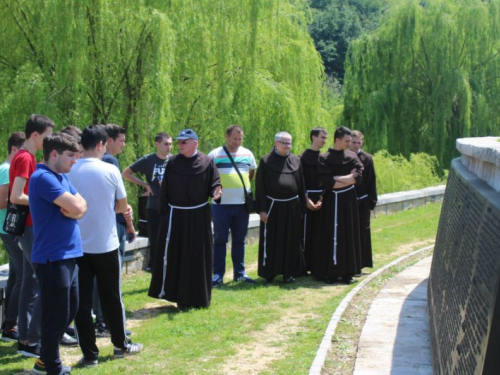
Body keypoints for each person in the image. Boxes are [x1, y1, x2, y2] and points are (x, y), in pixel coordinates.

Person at [67, 125, 143, 367]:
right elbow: (122, 206)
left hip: (77, 244)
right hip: (105, 243)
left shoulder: (69, 170)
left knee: (82, 302)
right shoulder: (110, 169)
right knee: (111, 297)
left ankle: (90, 354)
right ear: (101, 144)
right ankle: (121, 344)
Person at [29, 133, 87, 375]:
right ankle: (50, 366)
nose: (75, 160)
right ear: (54, 154)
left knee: (70, 308)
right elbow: (76, 206)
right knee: (57, 312)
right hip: (52, 257)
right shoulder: (42, 177)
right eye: (71, 155)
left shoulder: (61, 176)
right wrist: (74, 208)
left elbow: (82, 205)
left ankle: (45, 359)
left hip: (68, 254)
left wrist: (74, 209)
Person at [148, 129, 221, 309]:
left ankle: (199, 298)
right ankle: (178, 296)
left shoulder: (207, 162)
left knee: (198, 256)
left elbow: (214, 183)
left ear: (195, 143)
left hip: (199, 216)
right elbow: (165, 190)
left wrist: (216, 191)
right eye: (179, 142)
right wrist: (164, 213)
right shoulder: (172, 162)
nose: (179, 145)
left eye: (184, 142)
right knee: (177, 256)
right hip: (176, 216)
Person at [10, 114, 54, 358]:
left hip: (26, 227)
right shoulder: (26, 158)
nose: (49, 141)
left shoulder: (22, 156)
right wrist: (44, 200)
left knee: (30, 282)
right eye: (47, 136)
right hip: (30, 227)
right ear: (35, 135)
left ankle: (26, 340)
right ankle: (32, 340)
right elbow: (16, 196)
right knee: (42, 281)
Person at [255, 132, 309, 284]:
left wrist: (302, 209)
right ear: (276, 143)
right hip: (272, 206)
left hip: (292, 206)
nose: (287, 146)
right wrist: (262, 209)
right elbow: (260, 187)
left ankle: (288, 273)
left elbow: (301, 186)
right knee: (272, 239)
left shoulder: (296, 161)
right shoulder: (266, 161)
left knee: (290, 240)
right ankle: (269, 272)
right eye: (284, 142)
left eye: (289, 143)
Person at [209, 125, 257, 287]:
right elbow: (209, 177)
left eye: (240, 139)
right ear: (227, 137)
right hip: (221, 205)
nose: (237, 142)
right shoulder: (215, 155)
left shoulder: (248, 154)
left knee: (239, 240)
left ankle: (240, 273)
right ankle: (217, 275)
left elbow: (251, 173)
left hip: (242, 205)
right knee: (220, 240)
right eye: (234, 138)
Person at [316, 126, 363, 285]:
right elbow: (328, 183)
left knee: (348, 234)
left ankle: (347, 272)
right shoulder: (324, 157)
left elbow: (357, 177)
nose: (350, 144)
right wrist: (346, 179)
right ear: (337, 140)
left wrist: (338, 178)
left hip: (348, 202)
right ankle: (330, 272)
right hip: (331, 201)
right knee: (329, 233)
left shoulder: (352, 156)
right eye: (347, 141)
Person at [122, 132, 172, 271]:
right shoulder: (148, 160)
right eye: (166, 144)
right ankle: (155, 267)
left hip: (171, 206)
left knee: (171, 238)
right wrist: (145, 185)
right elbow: (125, 173)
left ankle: (170, 265)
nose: (169, 147)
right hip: (154, 206)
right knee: (155, 239)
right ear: (157, 144)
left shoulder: (174, 160)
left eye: (170, 144)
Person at [0, 132, 25, 343]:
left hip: (9, 229)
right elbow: (1, 201)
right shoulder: (7, 170)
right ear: (16, 149)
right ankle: (10, 326)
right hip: (9, 229)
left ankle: (9, 325)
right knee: (23, 274)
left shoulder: (6, 169)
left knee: (17, 275)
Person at [300, 127, 327, 273]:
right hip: (307, 197)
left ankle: (318, 264)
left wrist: (322, 197)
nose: (324, 141)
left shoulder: (324, 158)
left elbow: (326, 180)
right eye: (322, 137)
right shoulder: (302, 157)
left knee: (320, 232)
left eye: (325, 138)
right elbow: (300, 180)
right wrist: (306, 199)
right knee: (306, 232)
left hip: (321, 198)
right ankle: (304, 265)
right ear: (313, 137)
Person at [351, 130, 377, 270]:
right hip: (347, 200)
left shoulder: (367, 158)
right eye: (353, 142)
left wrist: (371, 201)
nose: (355, 145)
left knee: (362, 231)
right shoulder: (345, 157)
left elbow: (372, 181)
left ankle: (361, 263)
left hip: (362, 201)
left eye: (358, 142)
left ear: (362, 142)